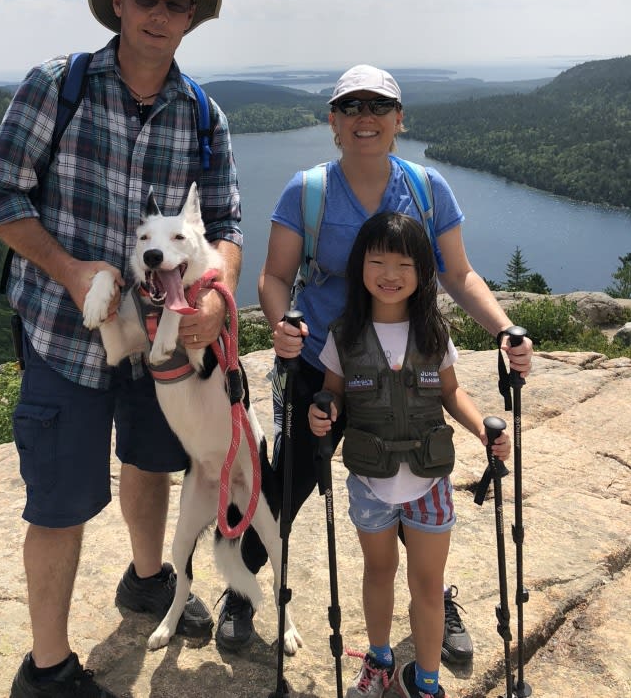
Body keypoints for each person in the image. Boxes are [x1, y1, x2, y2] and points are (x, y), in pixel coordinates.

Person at [0, 0, 242, 698]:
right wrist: (67, 270)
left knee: (152, 460)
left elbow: (222, 220)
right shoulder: (56, 87)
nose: (161, 13)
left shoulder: (202, 115)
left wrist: (218, 298)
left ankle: (148, 576)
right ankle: (49, 668)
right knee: (61, 499)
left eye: (176, 2)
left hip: (163, 342)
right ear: (119, 1)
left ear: (190, 17)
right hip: (64, 334)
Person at [215, 64, 532, 657]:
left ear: (398, 120)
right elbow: (275, 275)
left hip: (407, 363)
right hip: (323, 362)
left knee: (412, 470)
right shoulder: (307, 191)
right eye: (352, 107)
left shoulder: (426, 187)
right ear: (333, 122)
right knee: (292, 479)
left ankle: (434, 598)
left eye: (379, 107)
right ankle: (240, 587)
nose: (366, 117)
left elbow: (458, 274)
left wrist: (505, 328)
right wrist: (286, 325)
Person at [308, 211, 512, 698]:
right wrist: (325, 411)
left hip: (429, 483)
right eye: (377, 261)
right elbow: (332, 391)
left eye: (404, 263)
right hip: (370, 484)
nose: (390, 274)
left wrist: (483, 428)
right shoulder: (344, 335)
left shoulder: (433, 332)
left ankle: (425, 682)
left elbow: (451, 393)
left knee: (428, 585)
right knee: (378, 573)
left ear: (422, 271)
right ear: (360, 267)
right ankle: (380, 660)